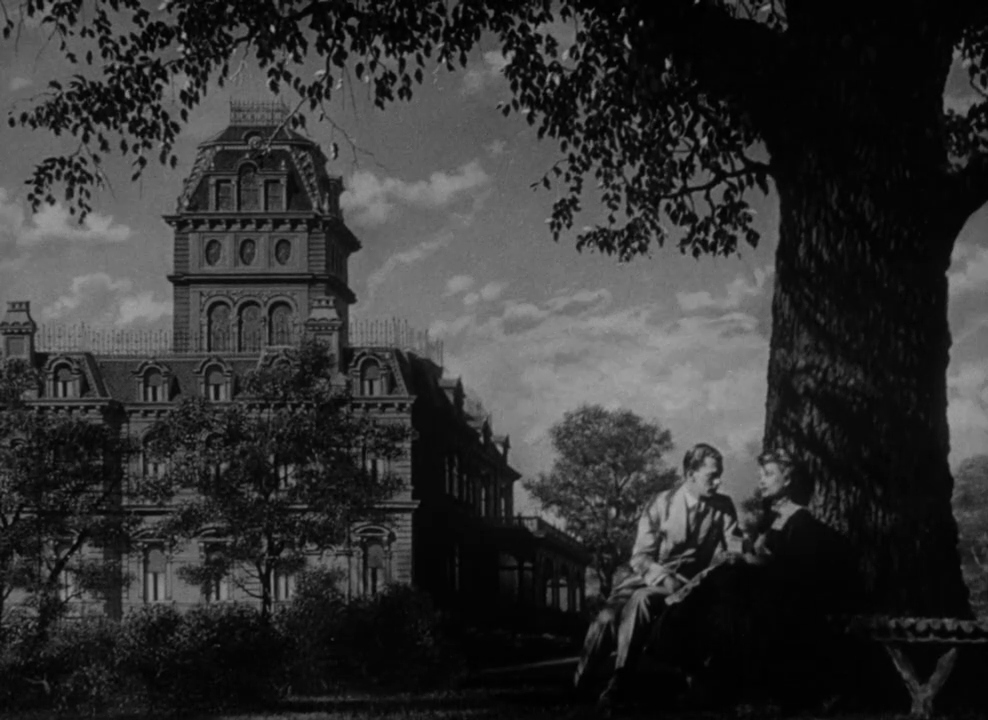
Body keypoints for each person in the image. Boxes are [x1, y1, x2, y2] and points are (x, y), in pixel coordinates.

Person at [572, 442, 744, 709]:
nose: (718, 482)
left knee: (641, 600)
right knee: (607, 616)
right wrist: (664, 578)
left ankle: (620, 681)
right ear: (690, 474)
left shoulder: (723, 507)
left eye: (719, 475)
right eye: (712, 476)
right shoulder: (660, 503)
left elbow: (733, 550)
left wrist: (727, 561)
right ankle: (580, 683)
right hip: (649, 577)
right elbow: (640, 556)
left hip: (691, 586)